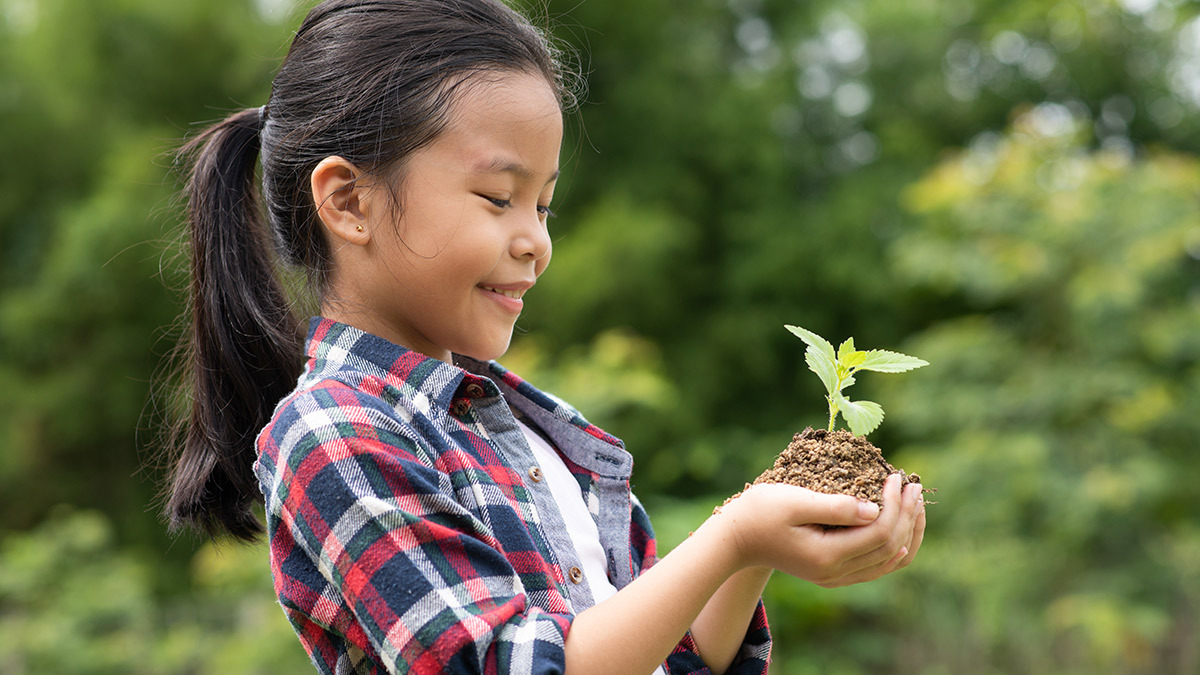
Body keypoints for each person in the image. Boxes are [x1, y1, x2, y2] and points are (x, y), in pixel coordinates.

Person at [164, 1, 927, 673]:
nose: (535, 241)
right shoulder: (335, 433)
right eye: (500, 198)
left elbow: (668, 656)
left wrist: (752, 550)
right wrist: (730, 537)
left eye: (545, 206)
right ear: (349, 200)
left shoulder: (548, 433)